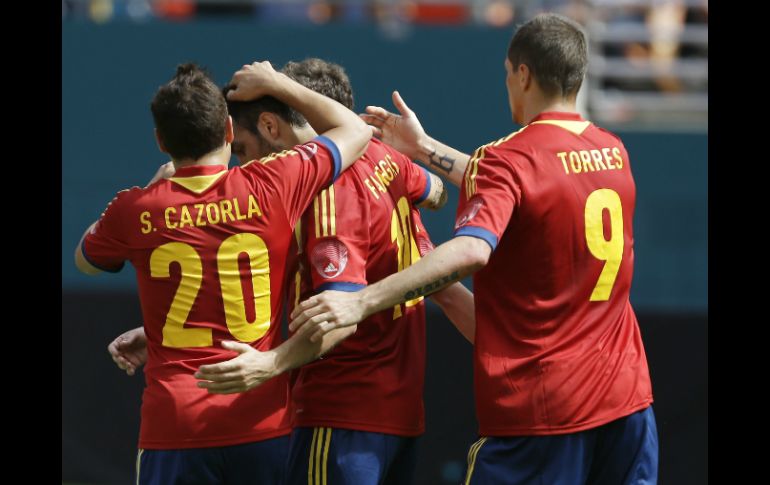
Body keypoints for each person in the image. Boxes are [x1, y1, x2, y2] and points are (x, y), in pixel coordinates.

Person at [290, 14, 658, 485]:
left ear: (522, 74)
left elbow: (473, 248)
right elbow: (531, 186)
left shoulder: (509, 157)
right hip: (627, 402)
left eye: (508, 73)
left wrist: (359, 299)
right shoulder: (613, 150)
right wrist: (422, 149)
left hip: (543, 413)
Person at [109, 58, 475, 485]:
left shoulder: (325, 197)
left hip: (338, 413)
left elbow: (339, 317)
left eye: (241, 151)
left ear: (270, 126)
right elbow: (434, 195)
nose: (240, 167)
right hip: (399, 412)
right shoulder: (383, 157)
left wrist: (270, 363)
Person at [75, 61, 371, 484]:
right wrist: (277, 83)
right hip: (260, 422)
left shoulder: (135, 209)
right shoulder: (274, 182)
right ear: (230, 132)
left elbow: (84, 259)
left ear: (161, 142)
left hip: (174, 425)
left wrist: (154, 187)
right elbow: (355, 130)